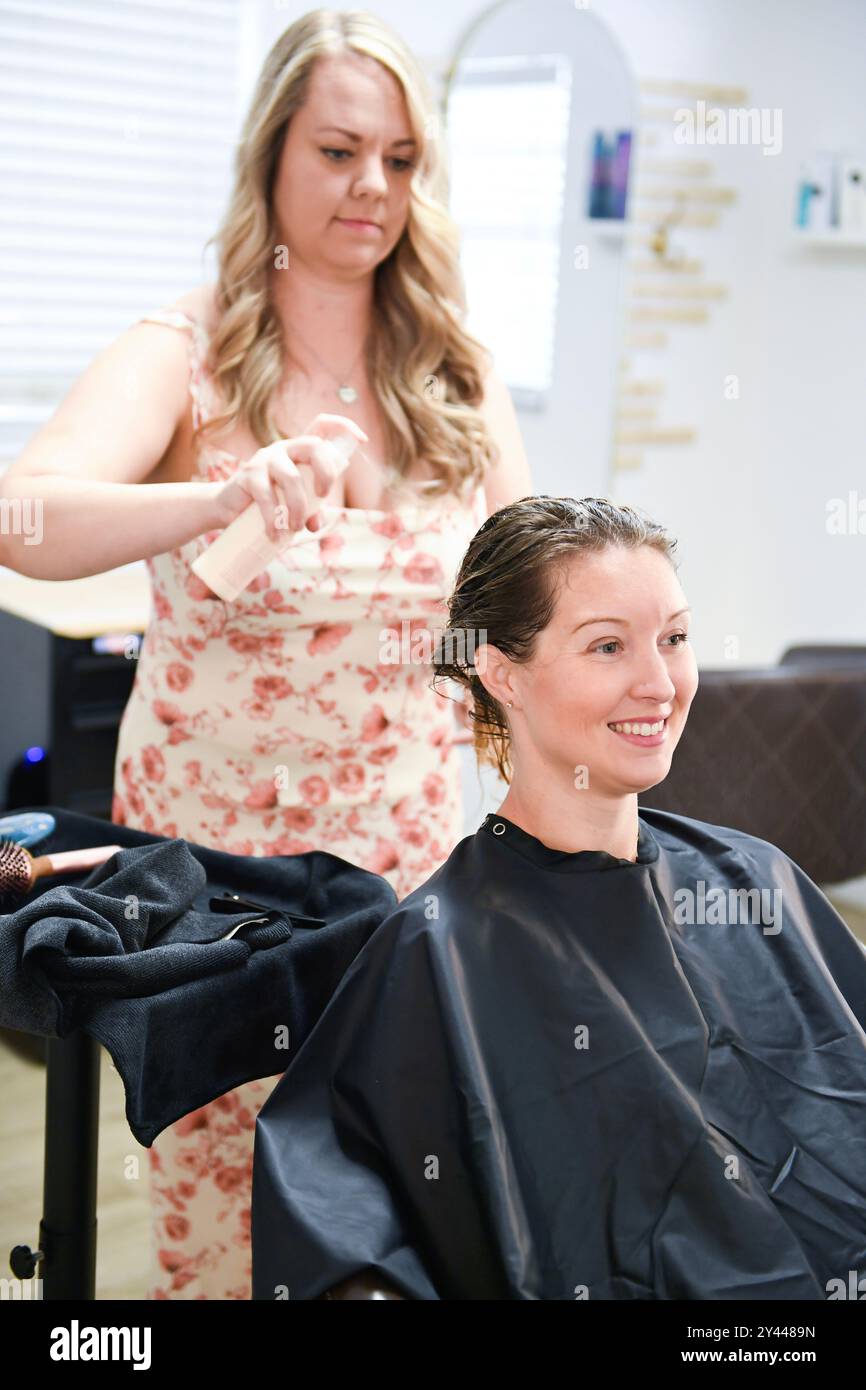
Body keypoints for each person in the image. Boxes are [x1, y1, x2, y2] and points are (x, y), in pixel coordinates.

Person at [0, 10, 532, 1299]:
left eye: (401, 160)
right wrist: (210, 501)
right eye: (339, 150)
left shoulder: (452, 374)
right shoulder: (187, 354)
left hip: (397, 858)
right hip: (211, 886)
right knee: (221, 1202)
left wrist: (460, 672)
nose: (371, 188)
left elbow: (504, 606)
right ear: (271, 159)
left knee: (380, 1198)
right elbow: (24, 519)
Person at [251, 496, 866, 1300]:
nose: (660, 683)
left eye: (674, 639)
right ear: (502, 672)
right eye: (608, 647)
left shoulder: (756, 880)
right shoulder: (441, 949)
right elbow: (333, 1209)